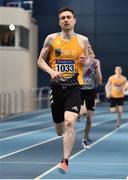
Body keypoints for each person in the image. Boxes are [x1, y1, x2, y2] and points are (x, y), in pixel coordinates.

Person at [37, 7, 91, 174]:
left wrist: (86, 61)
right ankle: (64, 124)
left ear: (74, 20)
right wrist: (52, 72)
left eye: (69, 17)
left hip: (74, 87)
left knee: (69, 122)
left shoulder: (83, 41)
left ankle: (65, 161)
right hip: (57, 89)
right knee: (60, 130)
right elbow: (40, 61)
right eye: (63, 18)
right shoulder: (51, 39)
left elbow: (89, 62)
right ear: (59, 22)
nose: (66, 20)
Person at [79, 45, 102, 148]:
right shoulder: (78, 60)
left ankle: (85, 138)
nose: (86, 50)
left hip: (90, 91)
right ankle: (79, 113)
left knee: (89, 119)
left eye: (88, 48)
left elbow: (100, 80)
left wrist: (95, 67)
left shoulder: (96, 62)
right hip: (78, 90)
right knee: (76, 114)